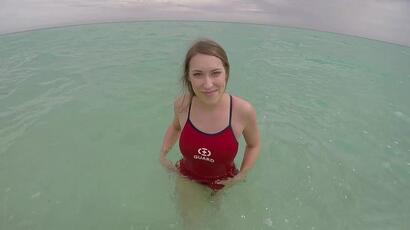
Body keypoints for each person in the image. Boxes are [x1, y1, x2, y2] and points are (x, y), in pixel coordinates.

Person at [159, 38, 261, 192]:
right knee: (189, 217)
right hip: (187, 178)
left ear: (226, 73)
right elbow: (175, 127)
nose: (207, 84)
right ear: (188, 76)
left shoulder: (243, 110)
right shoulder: (182, 105)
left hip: (226, 181)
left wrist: (242, 174)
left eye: (215, 73)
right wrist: (163, 153)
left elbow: (254, 145)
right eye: (198, 74)